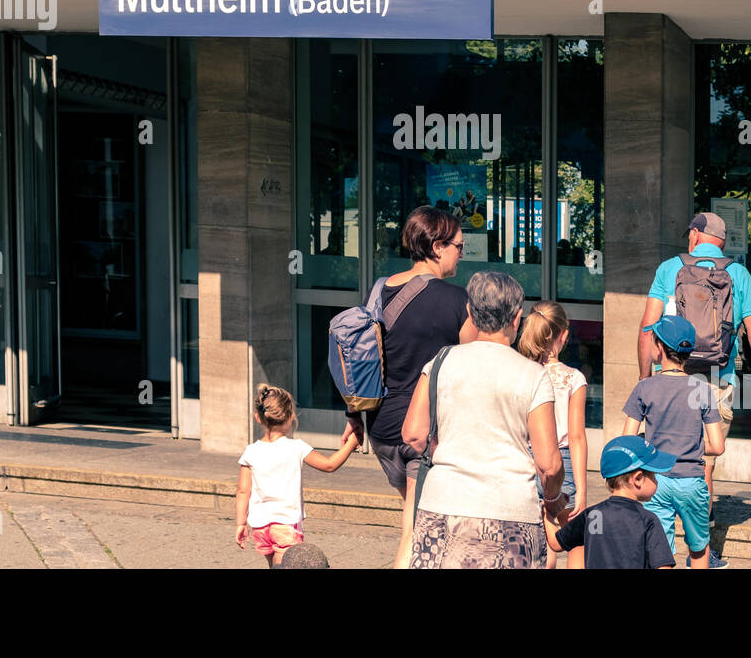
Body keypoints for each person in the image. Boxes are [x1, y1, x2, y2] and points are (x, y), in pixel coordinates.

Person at [636, 211, 751, 568]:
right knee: (702, 466)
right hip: (713, 381)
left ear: (697, 234)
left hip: (667, 379)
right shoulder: (738, 274)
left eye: (690, 234)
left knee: (659, 462)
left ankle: (659, 548)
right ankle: (700, 554)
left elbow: (646, 329)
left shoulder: (669, 269)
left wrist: (645, 382)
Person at [339, 206, 472, 569]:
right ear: (438, 246)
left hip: (381, 430)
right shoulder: (458, 300)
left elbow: (360, 358)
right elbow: (476, 364)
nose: (462, 252)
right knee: (413, 532)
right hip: (422, 434)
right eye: (460, 246)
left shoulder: (380, 290)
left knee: (421, 517)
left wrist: (354, 415)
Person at [402, 272, 564, 569]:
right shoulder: (533, 375)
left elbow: (413, 433)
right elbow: (549, 464)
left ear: (470, 314)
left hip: (442, 505)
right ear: (517, 318)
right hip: (510, 511)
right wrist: (553, 499)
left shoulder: (440, 362)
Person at [624, 315, 726, 568]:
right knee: (699, 550)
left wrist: (651, 445)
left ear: (659, 348)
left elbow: (626, 440)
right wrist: (688, 444)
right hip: (692, 481)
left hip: (656, 481)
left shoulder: (645, 388)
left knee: (660, 553)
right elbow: (718, 446)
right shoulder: (702, 390)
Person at [235, 384, 359, 567]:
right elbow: (329, 465)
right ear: (291, 417)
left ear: (258, 418)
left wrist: (240, 523)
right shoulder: (296, 447)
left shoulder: (251, 451)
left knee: (275, 565)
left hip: (260, 525)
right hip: (285, 523)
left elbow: (242, 491)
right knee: (286, 564)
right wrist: (351, 442)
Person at [518, 300, 588, 569]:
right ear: (564, 335)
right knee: (575, 540)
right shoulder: (573, 378)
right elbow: (577, 436)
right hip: (562, 462)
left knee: (539, 539)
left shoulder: (523, 374)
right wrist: (581, 488)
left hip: (527, 461)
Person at [542, 436, 677, 570]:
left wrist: (546, 513)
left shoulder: (594, 515)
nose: (656, 481)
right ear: (638, 478)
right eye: (653, 475)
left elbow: (555, 543)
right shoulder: (647, 520)